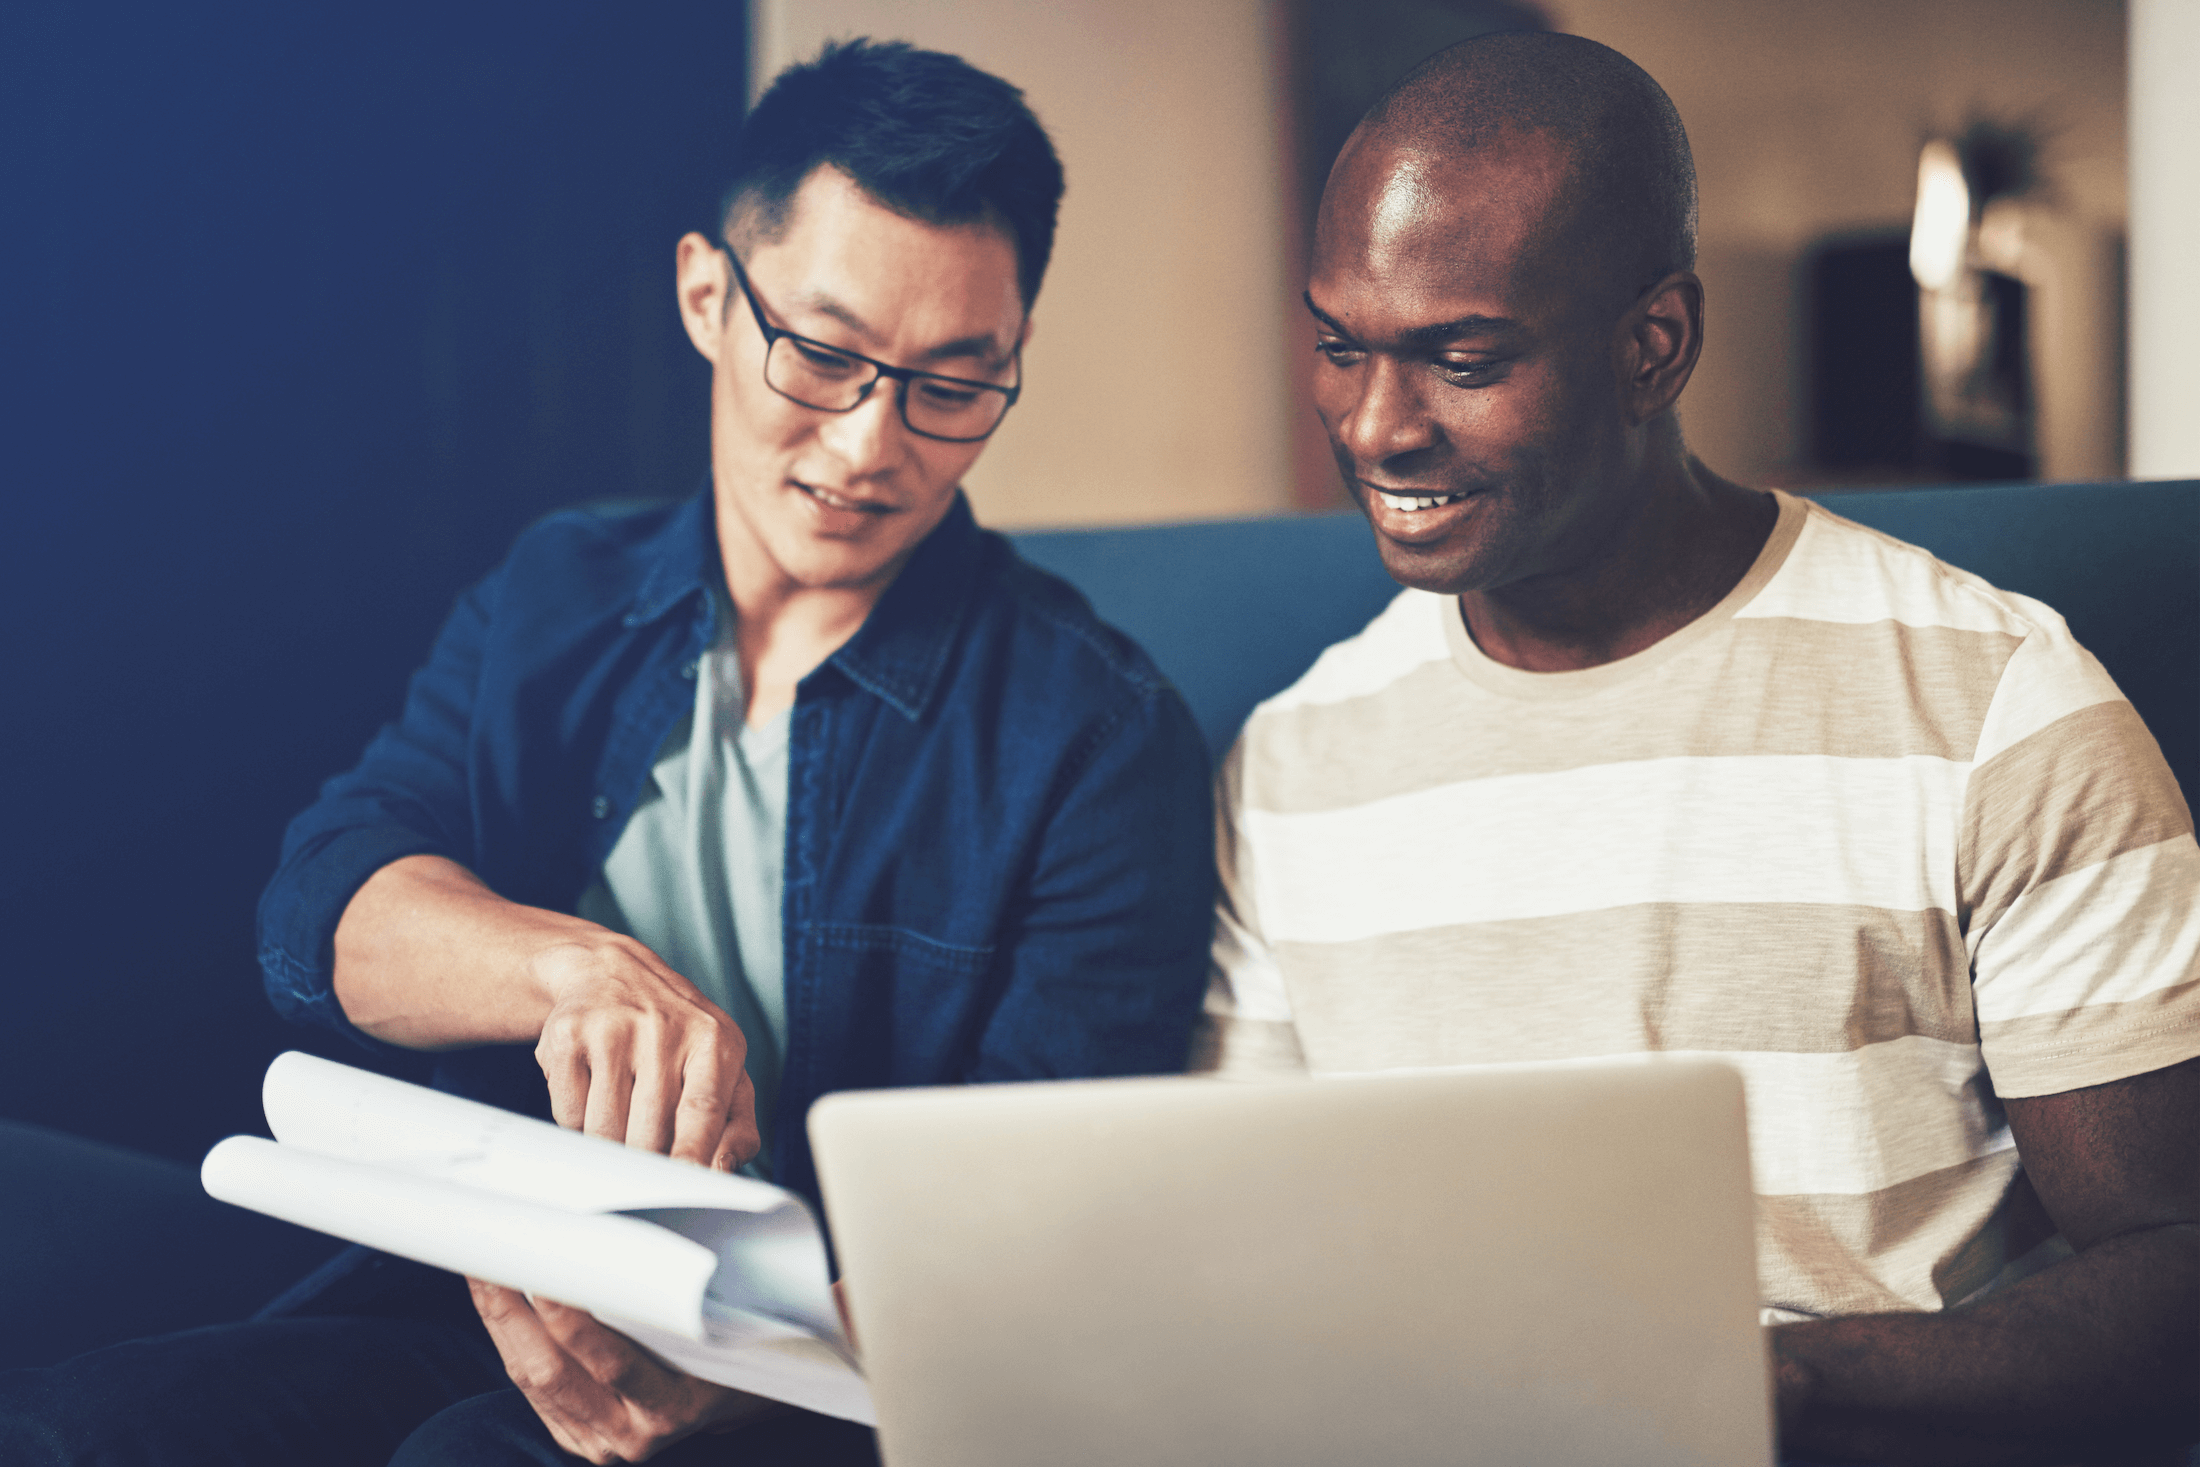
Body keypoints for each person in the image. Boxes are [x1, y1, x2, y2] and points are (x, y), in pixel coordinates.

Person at [2, 38, 1213, 1467]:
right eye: (821, 354)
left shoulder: (1101, 736)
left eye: (954, 382)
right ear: (709, 294)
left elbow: (1051, 1214)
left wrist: (746, 1367)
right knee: (79, 1428)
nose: (872, 442)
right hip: (478, 1304)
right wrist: (573, 967)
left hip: (839, 1368)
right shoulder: (555, 591)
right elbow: (320, 910)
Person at [1196, 30, 2199, 1465]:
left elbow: (2178, 1269)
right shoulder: (1297, 758)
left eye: (1462, 358)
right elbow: (1245, 1236)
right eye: (1341, 344)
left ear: (1654, 344)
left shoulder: (2001, 705)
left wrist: (1782, 1381)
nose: (1373, 423)